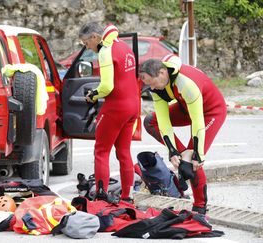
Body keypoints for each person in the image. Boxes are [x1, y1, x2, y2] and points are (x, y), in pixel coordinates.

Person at [139, 55, 227, 214]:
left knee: (192, 160)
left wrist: (197, 154)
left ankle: (200, 207)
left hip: (210, 112)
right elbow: (163, 121)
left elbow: (197, 121)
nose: (152, 88)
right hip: (185, 107)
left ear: (162, 73)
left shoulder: (185, 82)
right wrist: (173, 151)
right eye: (148, 85)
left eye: (152, 84)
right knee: (150, 121)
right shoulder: (156, 86)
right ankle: (182, 156)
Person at [79, 22, 140, 202]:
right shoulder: (123, 45)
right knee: (124, 151)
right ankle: (127, 196)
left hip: (116, 107)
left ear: (95, 37)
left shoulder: (106, 51)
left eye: (86, 43)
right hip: (133, 105)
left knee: (101, 151)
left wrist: (93, 95)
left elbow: (107, 86)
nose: (87, 48)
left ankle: (101, 195)